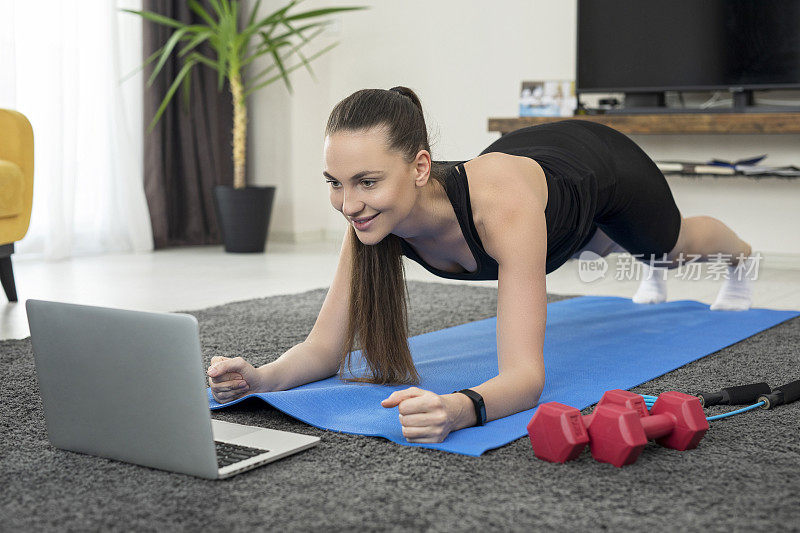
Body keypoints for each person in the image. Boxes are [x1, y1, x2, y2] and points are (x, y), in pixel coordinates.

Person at [206, 86, 757, 443]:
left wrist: (459, 408)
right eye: (335, 183)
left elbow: (525, 377)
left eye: (367, 182)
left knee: (668, 246)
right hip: (541, 182)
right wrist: (263, 377)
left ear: (420, 167)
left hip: (601, 166)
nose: (348, 205)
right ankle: (630, 257)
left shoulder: (501, 208)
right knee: (597, 246)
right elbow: (324, 349)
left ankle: (739, 258)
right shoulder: (373, 222)